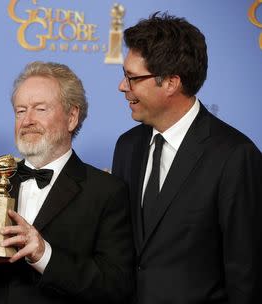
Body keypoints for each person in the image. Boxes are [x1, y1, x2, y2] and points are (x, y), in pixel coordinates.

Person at [0, 61, 134, 303]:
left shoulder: (106, 192)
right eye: (20, 111)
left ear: (72, 117)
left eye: (40, 109)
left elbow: (115, 285)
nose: (27, 120)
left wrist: (44, 255)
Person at [111, 12, 262, 304]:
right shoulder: (127, 146)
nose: (122, 86)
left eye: (132, 78)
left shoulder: (235, 156)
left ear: (170, 82)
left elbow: (247, 275)